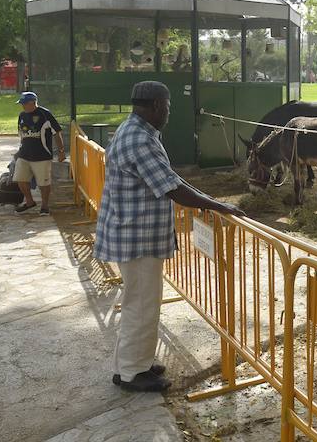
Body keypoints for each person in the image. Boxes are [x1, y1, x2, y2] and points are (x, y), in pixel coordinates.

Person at [94, 81, 245, 393]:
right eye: (168, 106)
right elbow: (172, 188)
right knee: (141, 304)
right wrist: (217, 205)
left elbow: (170, 177)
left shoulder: (136, 131)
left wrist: (208, 198)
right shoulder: (139, 140)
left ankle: (132, 363)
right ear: (156, 106)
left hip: (133, 234)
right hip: (135, 238)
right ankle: (133, 374)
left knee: (139, 301)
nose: (168, 112)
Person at [13, 91, 64, 215]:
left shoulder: (45, 114)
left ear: (32, 103)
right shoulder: (22, 115)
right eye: (21, 104)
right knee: (20, 179)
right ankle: (29, 202)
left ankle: (45, 206)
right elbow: (22, 135)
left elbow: (57, 132)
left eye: (24, 103)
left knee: (43, 183)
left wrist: (61, 151)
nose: (23, 106)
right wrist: (19, 150)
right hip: (24, 154)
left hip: (42, 156)